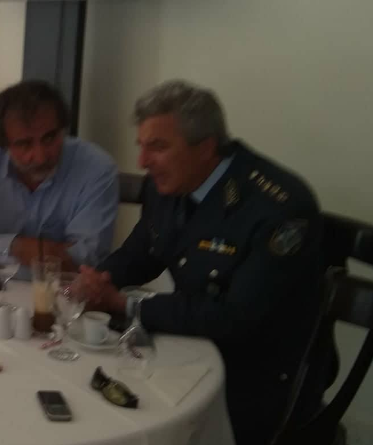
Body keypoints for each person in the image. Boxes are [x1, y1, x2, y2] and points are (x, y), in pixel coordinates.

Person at [79, 81, 324, 445]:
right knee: (83, 391)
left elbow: (233, 316)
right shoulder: (168, 184)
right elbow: (138, 255)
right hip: (190, 347)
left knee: (128, 421)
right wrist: (95, 282)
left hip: (260, 374)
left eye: (158, 147)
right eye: (142, 146)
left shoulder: (278, 207)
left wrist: (124, 304)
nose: (143, 162)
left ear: (206, 147)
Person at [0, 80, 118, 277]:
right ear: (3, 144)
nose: (40, 156)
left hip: (63, 293)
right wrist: (15, 246)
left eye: (49, 138)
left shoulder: (96, 169)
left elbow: (84, 262)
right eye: (24, 144)